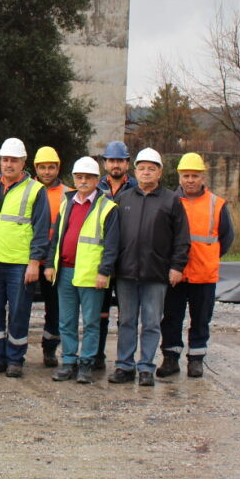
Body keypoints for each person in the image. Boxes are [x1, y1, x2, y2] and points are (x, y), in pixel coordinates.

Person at [0, 138, 51, 378]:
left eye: (14, 160)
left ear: (23, 163)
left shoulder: (36, 190)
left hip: (19, 263)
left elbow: (41, 229)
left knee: (18, 312)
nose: (9, 164)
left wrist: (34, 261)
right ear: (0, 161)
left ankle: (15, 359)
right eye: (5, 160)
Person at [108, 148, 190, 387]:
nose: (146, 172)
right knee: (126, 321)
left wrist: (177, 267)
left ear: (160, 172)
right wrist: (111, 266)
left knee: (152, 322)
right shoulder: (124, 198)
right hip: (126, 272)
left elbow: (182, 237)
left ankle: (146, 367)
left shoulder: (171, 200)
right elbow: (113, 235)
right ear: (135, 171)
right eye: (142, 168)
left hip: (156, 273)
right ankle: (124, 366)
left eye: (151, 168)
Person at [159, 152, 234, 379]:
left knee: (200, 319)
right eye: (185, 175)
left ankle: (196, 359)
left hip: (204, 273)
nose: (190, 180)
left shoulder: (216, 204)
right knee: (171, 318)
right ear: (179, 177)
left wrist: (208, 257)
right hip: (176, 274)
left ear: (203, 177)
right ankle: (170, 359)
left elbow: (226, 237)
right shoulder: (169, 201)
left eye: (194, 175)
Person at [47, 157, 119, 384]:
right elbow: (56, 237)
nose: (83, 181)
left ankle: (86, 364)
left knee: (90, 322)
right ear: (74, 178)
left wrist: (104, 272)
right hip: (66, 271)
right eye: (79, 177)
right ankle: (68, 362)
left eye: (88, 177)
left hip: (90, 274)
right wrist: (50, 264)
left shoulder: (107, 207)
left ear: (97, 180)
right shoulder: (66, 203)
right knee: (66, 321)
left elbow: (112, 244)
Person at [91, 139, 137, 371]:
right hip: (102, 259)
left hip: (128, 260)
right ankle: (97, 355)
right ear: (105, 164)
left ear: (127, 164)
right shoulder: (95, 188)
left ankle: (124, 360)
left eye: (120, 161)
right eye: (111, 161)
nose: (115, 165)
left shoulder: (137, 189)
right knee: (100, 312)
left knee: (127, 315)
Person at [32, 146, 69, 368]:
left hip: (54, 260)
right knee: (20, 305)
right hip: (30, 258)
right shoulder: (28, 190)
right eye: (43, 167)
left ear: (58, 168)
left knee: (54, 308)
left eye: (51, 167)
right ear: (36, 168)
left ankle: (49, 349)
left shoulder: (68, 193)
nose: (47, 172)